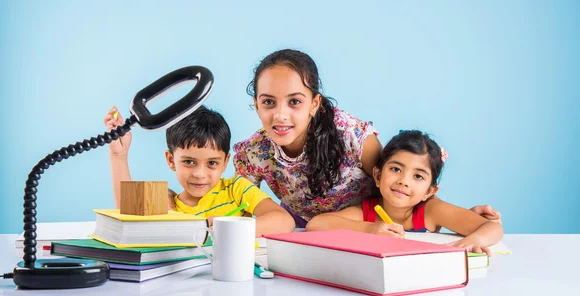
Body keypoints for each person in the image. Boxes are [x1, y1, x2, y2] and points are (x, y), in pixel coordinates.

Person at [232, 49, 501, 228]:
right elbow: (237, 207)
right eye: (268, 102)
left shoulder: (351, 135)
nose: (280, 115)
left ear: (314, 104)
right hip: (307, 231)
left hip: (369, 225)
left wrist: (458, 217)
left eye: (294, 102)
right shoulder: (252, 154)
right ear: (256, 105)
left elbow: (396, 181)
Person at [103, 105, 295, 237]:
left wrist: (230, 228)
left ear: (225, 162)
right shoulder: (167, 204)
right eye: (189, 162)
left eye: (212, 163)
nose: (200, 174)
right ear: (171, 160)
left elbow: (284, 222)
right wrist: (118, 156)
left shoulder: (236, 189)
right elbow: (126, 209)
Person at [307, 130, 504, 255]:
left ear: (430, 191)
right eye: (395, 169)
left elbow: (493, 228)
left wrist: (472, 241)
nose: (403, 181)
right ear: (377, 176)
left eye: (418, 176)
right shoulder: (368, 212)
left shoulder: (431, 211)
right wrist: (369, 229)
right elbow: (316, 224)